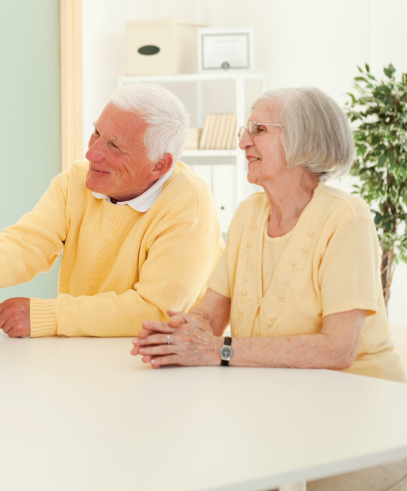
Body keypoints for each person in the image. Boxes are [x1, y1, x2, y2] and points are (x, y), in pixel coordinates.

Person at [131, 87, 407, 490]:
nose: (242, 140)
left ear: (303, 139)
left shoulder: (346, 220)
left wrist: (216, 351)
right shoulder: (248, 214)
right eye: (246, 130)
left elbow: (339, 348)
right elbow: (211, 313)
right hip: (280, 406)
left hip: (366, 417)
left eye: (258, 129)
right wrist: (179, 334)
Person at [0, 84, 223, 337]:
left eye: (114, 145)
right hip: (82, 353)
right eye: (96, 133)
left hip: (162, 369)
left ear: (159, 165)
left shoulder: (190, 203)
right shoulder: (77, 180)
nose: (91, 153)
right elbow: (28, 244)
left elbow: (155, 310)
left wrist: (50, 316)